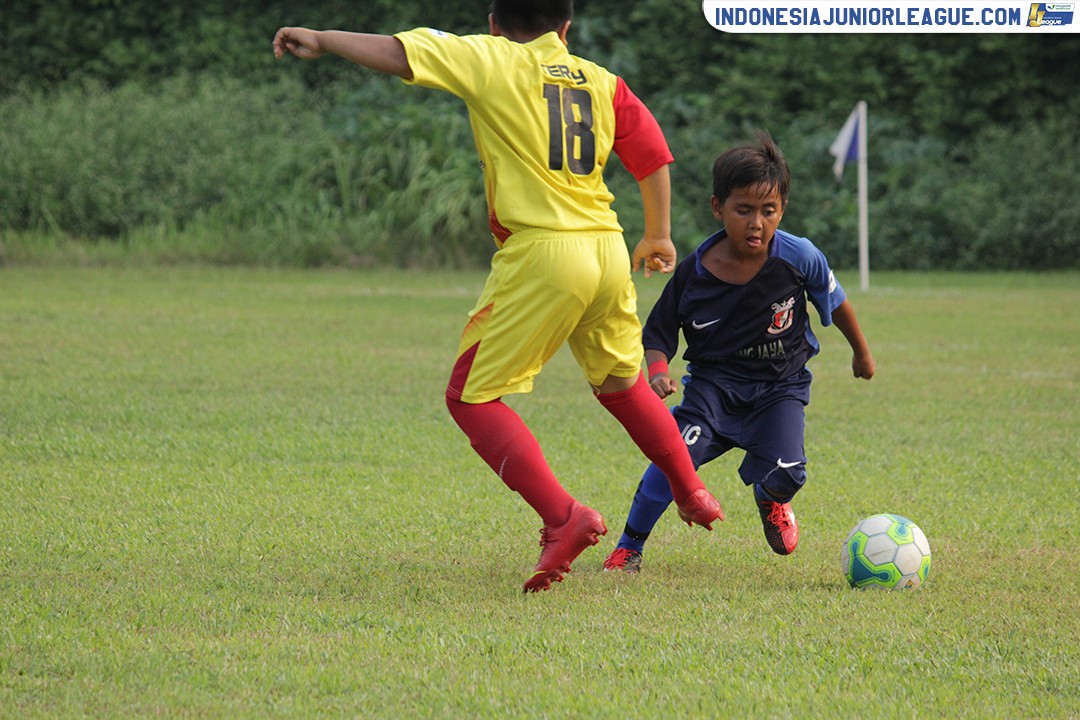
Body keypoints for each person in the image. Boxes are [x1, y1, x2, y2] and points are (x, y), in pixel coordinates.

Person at [273, 0, 723, 593]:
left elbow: (396, 51)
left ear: (493, 24)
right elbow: (652, 152)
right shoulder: (600, 79)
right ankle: (690, 488)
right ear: (567, 28)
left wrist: (323, 38)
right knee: (623, 385)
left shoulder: (491, 57)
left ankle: (564, 517)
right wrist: (659, 233)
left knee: (471, 397)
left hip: (543, 254)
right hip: (607, 251)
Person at [603, 131, 876, 574]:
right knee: (672, 457)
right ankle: (629, 547)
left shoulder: (799, 256)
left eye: (768, 211)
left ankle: (770, 496)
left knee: (791, 472)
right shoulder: (695, 272)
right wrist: (657, 371)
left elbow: (836, 299)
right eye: (743, 210)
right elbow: (658, 331)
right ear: (718, 208)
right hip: (713, 391)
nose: (757, 223)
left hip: (779, 389)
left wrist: (860, 354)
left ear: (782, 209)